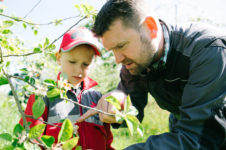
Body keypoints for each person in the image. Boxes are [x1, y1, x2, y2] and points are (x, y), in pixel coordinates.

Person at [76, 0, 226, 149]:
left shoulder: (208, 50)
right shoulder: (135, 62)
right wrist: (118, 101)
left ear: (151, 28)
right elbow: (132, 104)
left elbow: (197, 138)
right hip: (182, 128)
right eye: (112, 51)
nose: (118, 59)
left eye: (121, 46)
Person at [20, 27, 114, 150]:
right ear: (59, 58)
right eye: (72, 62)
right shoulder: (43, 95)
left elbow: (107, 142)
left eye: (85, 64)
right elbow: (31, 139)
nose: (79, 70)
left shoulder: (98, 98)